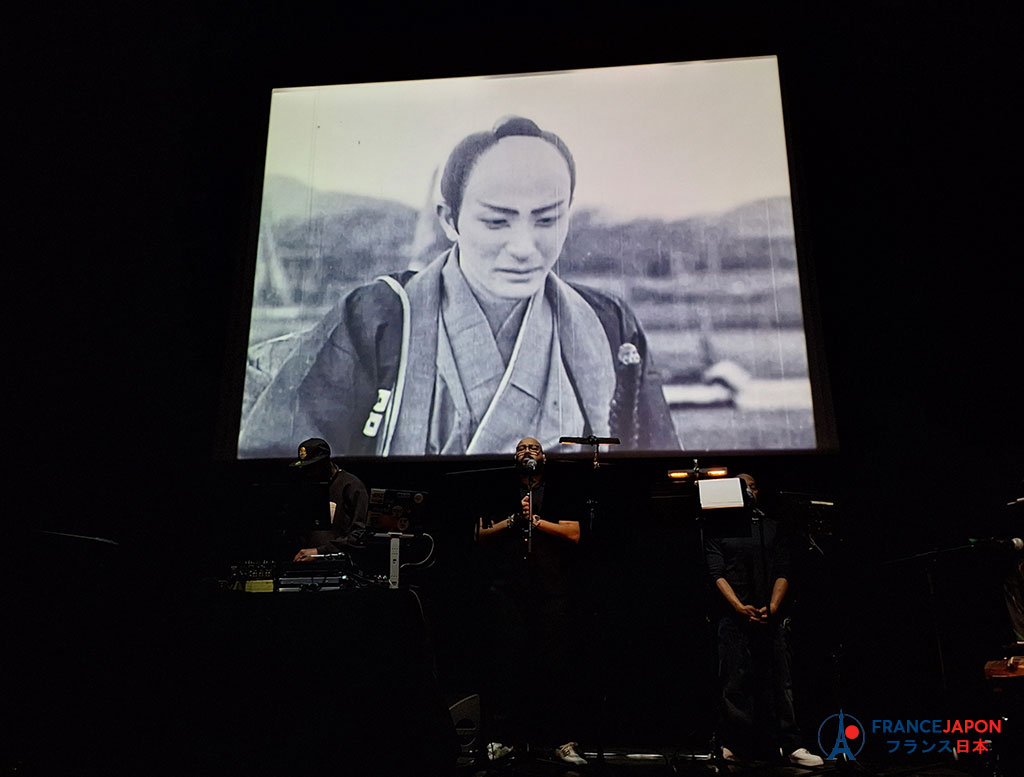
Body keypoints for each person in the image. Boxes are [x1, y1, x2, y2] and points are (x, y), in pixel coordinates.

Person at [239, 115, 679, 458]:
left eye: (547, 219)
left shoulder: (607, 322)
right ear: (450, 220)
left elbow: (651, 461)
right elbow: (287, 455)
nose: (524, 248)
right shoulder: (378, 317)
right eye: (497, 221)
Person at [472, 436, 587, 766]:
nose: (527, 452)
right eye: (521, 448)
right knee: (505, 666)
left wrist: (537, 522)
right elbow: (480, 534)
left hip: (552, 592)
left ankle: (560, 741)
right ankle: (502, 739)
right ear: (514, 458)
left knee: (555, 668)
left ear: (544, 458)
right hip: (507, 590)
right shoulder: (498, 492)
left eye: (533, 448)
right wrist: (513, 521)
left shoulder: (560, 492)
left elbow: (574, 533)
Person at [703, 473, 823, 767]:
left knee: (781, 682)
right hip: (733, 617)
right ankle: (736, 745)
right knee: (735, 682)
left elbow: (784, 568)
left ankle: (790, 744)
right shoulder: (717, 528)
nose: (748, 490)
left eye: (753, 485)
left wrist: (773, 606)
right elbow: (716, 572)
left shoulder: (771, 527)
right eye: (741, 485)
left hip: (770, 615)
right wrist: (738, 606)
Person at [288, 437, 370, 562]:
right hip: (306, 561)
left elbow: (359, 533)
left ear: (325, 462)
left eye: (312, 467)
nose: (308, 472)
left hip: (340, 563)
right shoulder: (307, 485)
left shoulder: (351, 486)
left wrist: (320, 552)